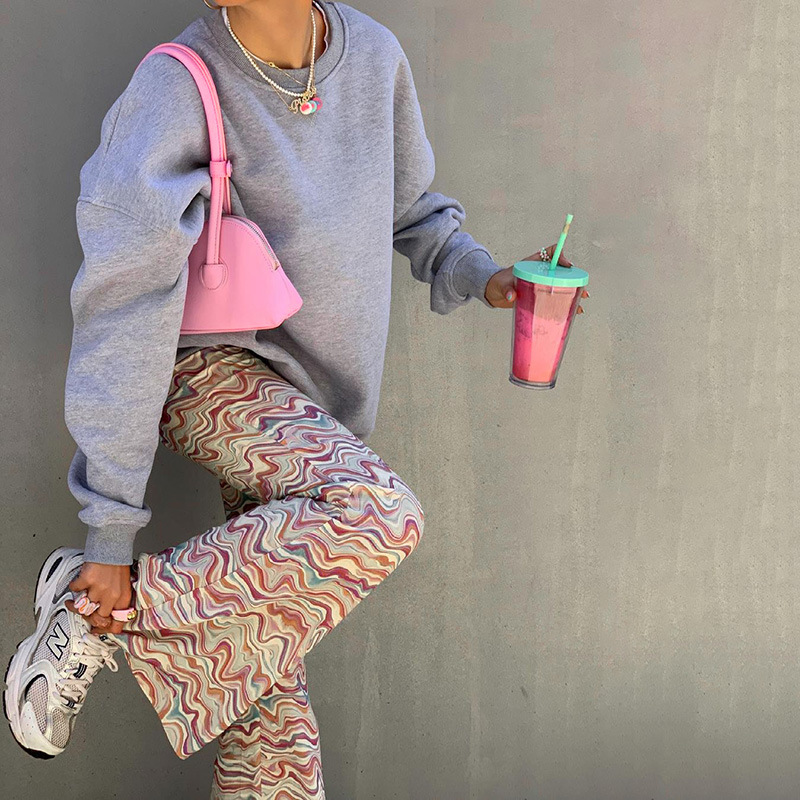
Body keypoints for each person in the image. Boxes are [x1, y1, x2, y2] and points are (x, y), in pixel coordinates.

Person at [3, 0, 582, 796]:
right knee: (376, 514)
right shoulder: (176, 87)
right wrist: (110, 535)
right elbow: (121, 303)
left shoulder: (373, 57)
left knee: (267, 701)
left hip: (313, 406)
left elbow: (411, 208)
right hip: (205, 374)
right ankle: (106, 604)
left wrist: (485, 277)